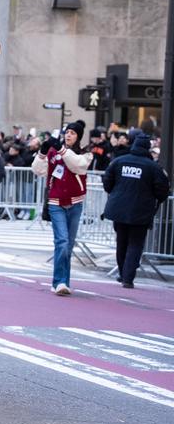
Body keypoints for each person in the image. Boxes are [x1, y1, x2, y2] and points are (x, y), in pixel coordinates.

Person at [32, 120, 92, 296]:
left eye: (73, 133)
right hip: (56, 202)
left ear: (79, 136)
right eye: (67, 132)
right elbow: (38, 170)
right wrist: (42, 153)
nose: (69, 135)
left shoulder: (85, 154)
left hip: (75, 203)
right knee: (62, 241)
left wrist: (62, 150)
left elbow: (78, 165)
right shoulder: (55, 152)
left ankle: (64, 280)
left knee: (69, 244)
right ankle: (59, 282)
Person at [102, 133, 170, 289]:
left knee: (122, 242)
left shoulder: (119, 161)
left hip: (119, 209)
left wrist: (116, 194)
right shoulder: (153, 167)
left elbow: (107, 181)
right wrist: (156, 198)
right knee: (135, 244)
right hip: (141, 211)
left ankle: (122, 273)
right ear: (147, 148)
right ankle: (128, 278)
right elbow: (162, 189)